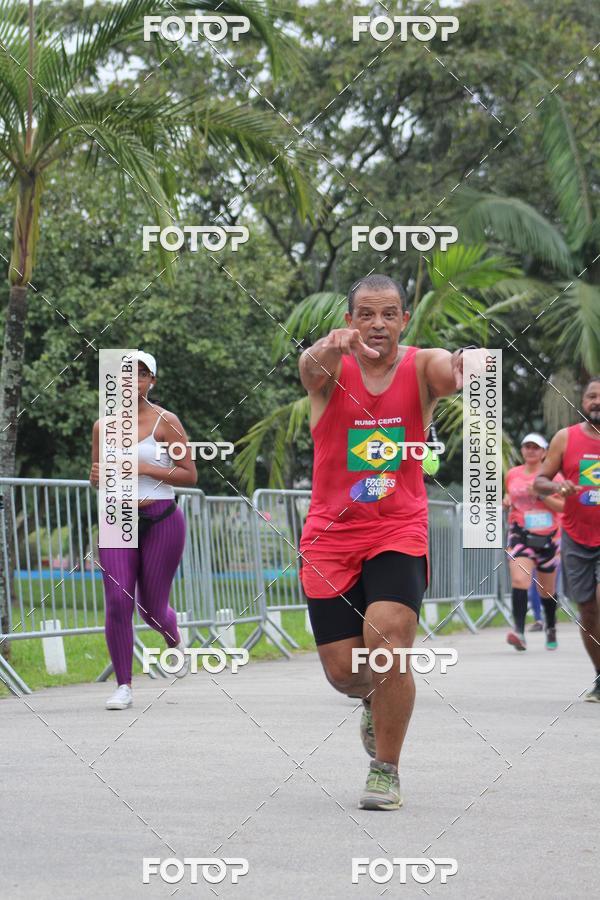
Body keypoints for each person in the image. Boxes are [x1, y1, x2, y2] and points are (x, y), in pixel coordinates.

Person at [298, 273, 468, 811]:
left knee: (389, 642)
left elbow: (446, 368)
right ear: (350, 320)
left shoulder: (419, 366)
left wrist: (464, 368)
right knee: (345, 673)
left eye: (388, 314)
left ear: (403, 320)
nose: (377, 324)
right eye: (366, 314)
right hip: (330, 533)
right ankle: (371, 700)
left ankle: (385, 769)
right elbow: (308, 370)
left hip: (398, 527)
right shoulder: (331, 367)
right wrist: (327, 345)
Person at [90, 351, 197, 709]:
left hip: (161, 520)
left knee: (151, 610)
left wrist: (145, 468)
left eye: (140, 374)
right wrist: (94, 478)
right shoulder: (102, 426)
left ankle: (174, 638)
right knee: (119, 601)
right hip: (116, 519)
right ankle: (124, 685)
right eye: (124, 374)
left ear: (152, 381)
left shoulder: (167, 422)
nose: (131, 381)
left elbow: (189, 474)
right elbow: (98, 477)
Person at [534, 377, 600, 702]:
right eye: (591, 396)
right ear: (583, 401)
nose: (596, 402)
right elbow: (540, 483)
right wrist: (558, 487)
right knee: (587, 611)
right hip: (576, 538)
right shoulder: (565, 438)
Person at [503, 433, 564, 651]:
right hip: (520, 534)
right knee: (520, 580)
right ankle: (519, 631)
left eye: (535, 447)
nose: (530, 450)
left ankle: (551, 626)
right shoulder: (512, 474)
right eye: (527, 446)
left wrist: (542, 495)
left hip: (549, 538)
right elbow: (510, 497)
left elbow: (564, 507)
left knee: (546, 592)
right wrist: (507, 500)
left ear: (545, 452)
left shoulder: (553, 477)